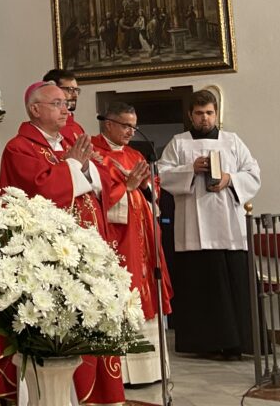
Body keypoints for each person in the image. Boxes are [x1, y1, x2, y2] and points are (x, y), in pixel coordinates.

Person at [0, 80, 123, 405]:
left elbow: (102, 185)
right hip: (47, 263)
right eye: (57, 104)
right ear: (35, 109)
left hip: (84, 256)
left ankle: (91, 397)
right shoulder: (18, 147)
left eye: (67, 103)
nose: (66, 109)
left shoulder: (70, 141)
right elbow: (40, 191)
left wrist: (81, 166)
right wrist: (74, 166)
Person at [157, 90, 261, 358]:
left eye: (209, 113)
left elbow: (252, 172)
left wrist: (229, 179)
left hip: (228, 224)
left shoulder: (232, 141)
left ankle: (241, 343)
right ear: (191, 115)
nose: (205, 118)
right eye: (200, 113)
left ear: (216, 114)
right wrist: (190, 169)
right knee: (201, 285)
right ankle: (204, 344)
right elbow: (163, 175)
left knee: (234, 281)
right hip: (194, 226)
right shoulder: (179, 143)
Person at [92, 102, 173, 385]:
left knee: (146, 289)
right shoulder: (94, 153)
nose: (131, 131)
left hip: (143, 236)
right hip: (116, 237)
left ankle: (150, 370)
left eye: (133, 125)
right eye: (126, 125)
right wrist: (125, 188)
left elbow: (154, 189)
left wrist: (144, 187)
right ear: (108, 124)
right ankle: (123, 374)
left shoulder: (135, 154)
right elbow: (94, 196)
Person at [42, 67, 85, 144]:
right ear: (53, 89)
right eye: (71, 90)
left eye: (76, 90)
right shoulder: (49, 128)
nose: (75, 95)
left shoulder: (77, 127)